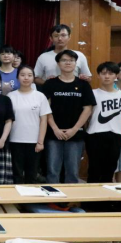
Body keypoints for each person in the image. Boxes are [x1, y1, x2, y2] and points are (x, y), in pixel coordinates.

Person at [42, 50, 96, 184]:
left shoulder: (83, 85)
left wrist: (75, 129)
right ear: (58, 63)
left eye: (71, 60)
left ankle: (70, 198)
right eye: (64, 60)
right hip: (53, 134)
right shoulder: (50, 84)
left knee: (72, 171)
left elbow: (88, 109)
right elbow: (45, 109)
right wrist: (55, 129)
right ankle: (52, 197)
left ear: (75, 63)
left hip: (76, 134)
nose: (68, 63)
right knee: (52, 170)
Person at [85, 62, 121, 183]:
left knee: (110, 170)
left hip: (115, 135)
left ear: (116, 76)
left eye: (110, 73)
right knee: (94, 170)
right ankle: (91, 195)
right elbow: (86, 116)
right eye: (103, 73)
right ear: (98, 75)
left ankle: (106, 195)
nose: (107, 76)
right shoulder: (92, 93)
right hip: (94, 134)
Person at [7, 66, 51, 184]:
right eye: (22, 75)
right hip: (15, 140)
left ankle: (30, 196)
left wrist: (40, 142)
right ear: (17, 77)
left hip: (34, 142)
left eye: (29, 75)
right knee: (17, 174)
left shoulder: (40, 96)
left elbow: (43, 120)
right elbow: (8, 120)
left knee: (31, 174)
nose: (26, 78)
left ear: (33, 78)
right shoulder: (11, 96)